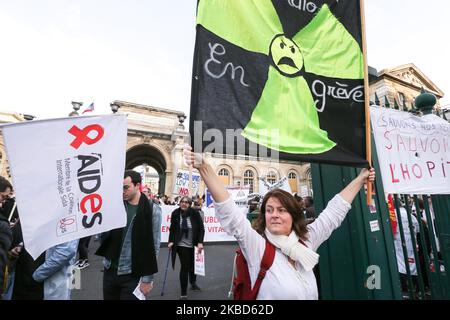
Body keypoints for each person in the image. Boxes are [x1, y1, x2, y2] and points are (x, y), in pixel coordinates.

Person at [183, 145, 375, 300]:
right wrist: (204, 167)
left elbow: (334, 213)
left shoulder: (306, 241)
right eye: (269, 210)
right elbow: (230, 212)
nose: (274, 215)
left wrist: (360, 178)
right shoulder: (257, 247)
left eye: (282, 210)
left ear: (293, 215)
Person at [96, 170, 161, 300]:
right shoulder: (116, 205)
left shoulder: (152, 209)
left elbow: (154, 245)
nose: (122, 191)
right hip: (110, 270)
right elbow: (101, 236)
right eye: (120, 188)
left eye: (126, 187)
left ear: (138, 186)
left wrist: (147, 279)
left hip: (133, 274)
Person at [168, 196, 205, 300]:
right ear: (180, 203)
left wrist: (200, 242)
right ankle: (183, 294)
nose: (184, 204)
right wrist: (171, 241)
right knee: (185, 266)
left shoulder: (195, 214)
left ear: (190, 204)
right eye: (182, 202)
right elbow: (172, 229)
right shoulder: (175, 213)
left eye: (187, 202)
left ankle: (193, 283)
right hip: (181, 244)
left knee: (193, 266)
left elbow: (201, 229)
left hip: (193, 244)